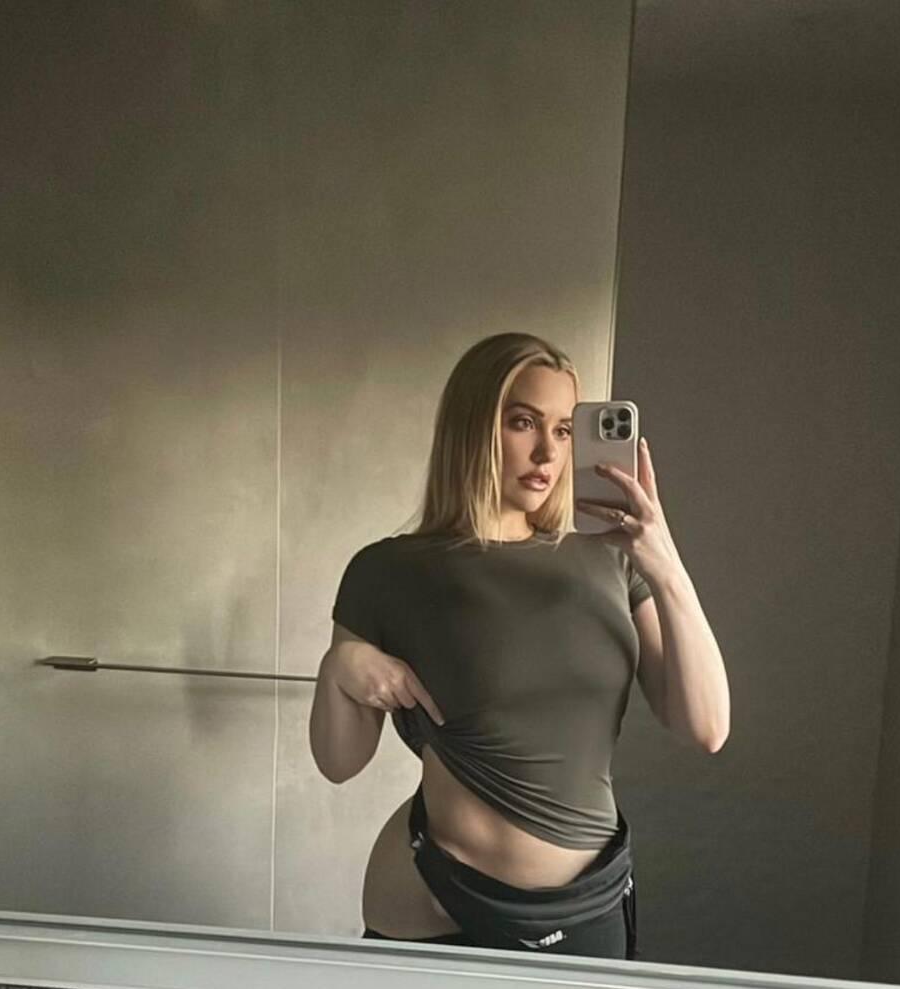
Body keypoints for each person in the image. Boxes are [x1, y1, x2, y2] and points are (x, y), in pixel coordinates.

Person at [309, 333, 729, 960]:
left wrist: (663, 561)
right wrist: (337, 667)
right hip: (426, 898)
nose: (547, 453)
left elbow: (708, 726)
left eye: (564, 430)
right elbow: (338, 762)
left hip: (583, 906)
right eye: (523, 422)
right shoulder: (387, 570)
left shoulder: (612, 561)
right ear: (474, 427)